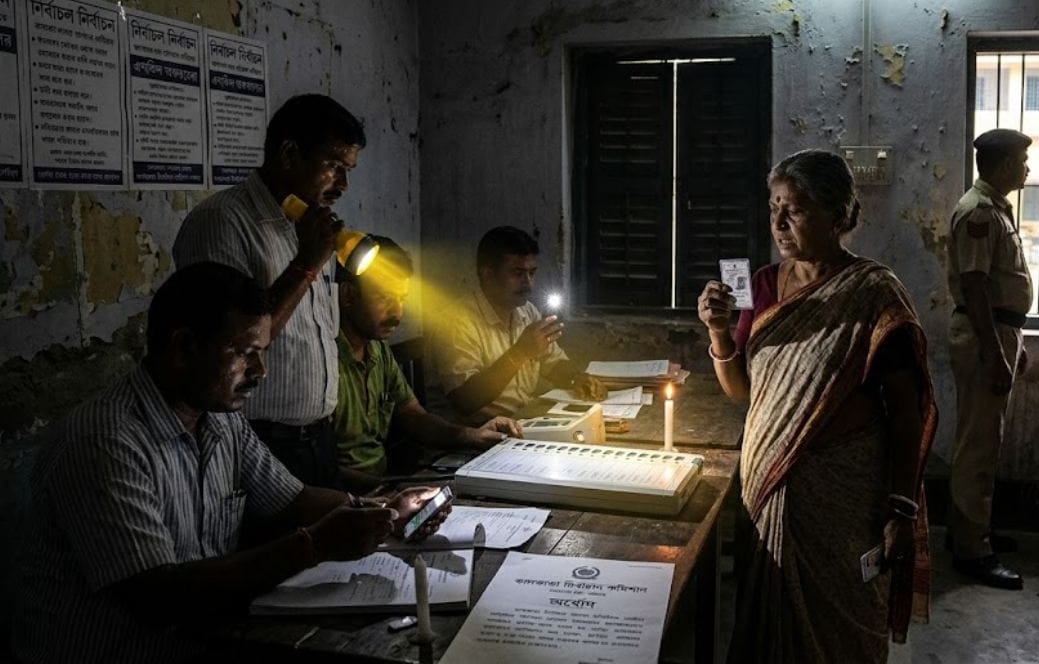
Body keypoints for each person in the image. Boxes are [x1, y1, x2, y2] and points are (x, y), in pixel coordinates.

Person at [9, 263, 448, 664]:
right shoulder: (106, 442)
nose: (261, 371)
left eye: (262, 352)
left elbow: (292, 499)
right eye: (243, 353)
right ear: (182, 347)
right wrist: (314, 545)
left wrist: (381, 508)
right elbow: (157, 597)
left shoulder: (220, 422)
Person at [697, 149, 937, 663]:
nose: (780, 223)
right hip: (768, 487)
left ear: (839, 216)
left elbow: (905, 411)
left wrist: (901, 506)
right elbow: (742, 390)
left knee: (843, 618)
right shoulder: (761, 285)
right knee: (770, 619)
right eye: (774, 206)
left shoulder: (874, 293)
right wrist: (719, 334)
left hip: (844, 495)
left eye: (797, 209)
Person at [173, 94, 365, 488]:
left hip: (318, 439)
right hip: (254, 442)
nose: (343, 184)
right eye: (333, 166)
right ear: (290, 153)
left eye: (348, 169)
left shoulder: (315, 226)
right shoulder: (222, 221)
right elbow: (231, 342)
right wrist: (307, 263)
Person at [334, 235, 523, 492]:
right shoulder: (323, 360)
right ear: (347, 295)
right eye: (384, 298)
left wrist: (471, 435)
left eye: (402, 299)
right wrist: (389, 490)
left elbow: (414, 416)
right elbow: (317, 468)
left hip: (385, 488)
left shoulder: (377, 350)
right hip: (346, 498)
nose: (397, 313)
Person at [946, 128, 1034, 590]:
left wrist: (1013, 341)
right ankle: (971, 549)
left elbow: (1000, 286)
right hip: (987, 334)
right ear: (1002, 167)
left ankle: (972, 528)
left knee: (985, 440)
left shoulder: (995, 209)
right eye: (1021, 161)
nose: (1027, 169)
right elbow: (977, 287)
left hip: (999, 331)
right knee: (978, 445)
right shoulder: (979, 212)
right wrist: (995, 351)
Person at [441, 226, 604, 420]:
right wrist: (520, 352)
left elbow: (552, 362)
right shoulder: (457, 321)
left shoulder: (526, 311)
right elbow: (465, 400)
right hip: (474, 435)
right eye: (517, 273)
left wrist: (577, 378)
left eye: (532, 273)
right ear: (487, 274)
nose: (528, 283)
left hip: (522, 421)